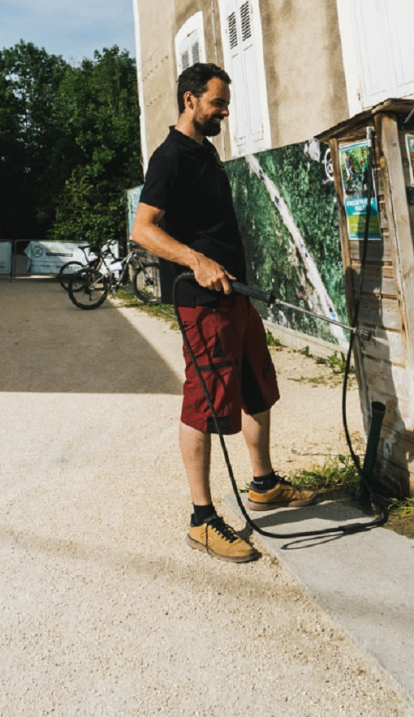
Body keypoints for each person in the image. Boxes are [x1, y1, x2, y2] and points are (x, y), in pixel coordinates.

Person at [130, 62, 313, 563]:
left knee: (257, 388)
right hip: (202, 302)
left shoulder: (205, 150)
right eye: (217, 103)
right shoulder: (169, 158)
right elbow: (142, 229)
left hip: (236, 297)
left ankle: (263, 483)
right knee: (204, 402)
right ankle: (202, 518)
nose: (225, 112)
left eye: (225, 103)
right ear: (190, 100)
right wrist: (195, 259)